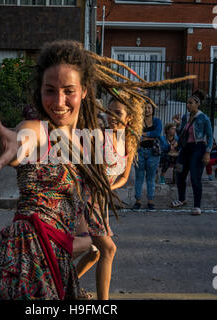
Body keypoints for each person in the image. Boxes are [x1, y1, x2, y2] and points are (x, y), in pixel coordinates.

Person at [0, 40, 194, 300]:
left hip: (57, 261)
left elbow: (79, 203)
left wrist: (82, 234)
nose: (59, 101)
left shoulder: (88, 142)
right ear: (40, 92)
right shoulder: (39, 129)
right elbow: (23, 139)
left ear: (84, 90)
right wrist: (7, 140)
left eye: (68, 90)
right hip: (22, 262)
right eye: (50, 90)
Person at [72, 90, 145, 300]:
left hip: (101, 200)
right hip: (86, 197)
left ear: (129, 117)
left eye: (118, 113)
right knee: (109, 249)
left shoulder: (129, 142)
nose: (112, 117)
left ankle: (66, 286)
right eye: (109, 112)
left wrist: (109, 189)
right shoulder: (99, 137)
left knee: (95, 252)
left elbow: (123, 176)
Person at [171, 90, 213, 216]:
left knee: (195, 177)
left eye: (190, 103)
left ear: (197, 104)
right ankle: (182, 198)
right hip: (185, 149)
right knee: (179, 173)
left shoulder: (204, 118)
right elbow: (181, 135)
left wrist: (207, 152)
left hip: (198, 148)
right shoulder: (185, 117)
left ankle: (197, 206)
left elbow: (210, 137)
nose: (188, 105)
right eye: (187, 103)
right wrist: (178, 125)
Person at [133, 102, 162, 210]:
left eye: (149, 108)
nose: (147, 110)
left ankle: (150, 201)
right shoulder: (138, 121)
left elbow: (158, 133)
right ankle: (138, 201)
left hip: (153, 153)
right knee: (139, 178)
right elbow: (135, 134)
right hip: (140, 152)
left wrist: (144, 135)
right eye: (145, 108)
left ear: (152, 110)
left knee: (150, 178)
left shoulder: (157, 121)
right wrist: (151, 136)